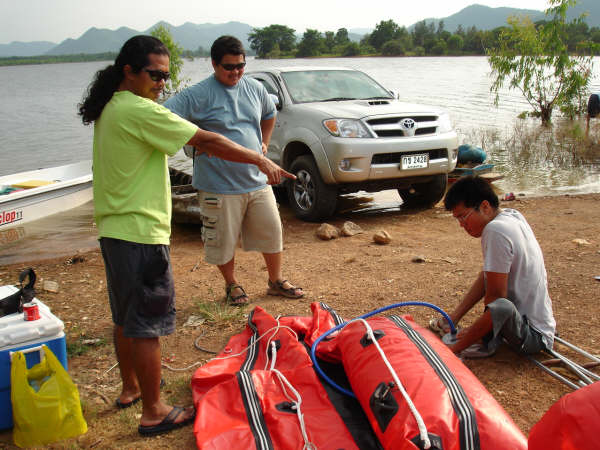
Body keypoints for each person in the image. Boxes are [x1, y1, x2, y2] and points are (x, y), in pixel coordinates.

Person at [78, 35, 293, 436]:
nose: (162, 82)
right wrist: (261, 158)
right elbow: (207, 139)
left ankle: (131, 390)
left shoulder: (114, 106)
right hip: (139, 230)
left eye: (165, 75)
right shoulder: (139, 110)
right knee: (147, 323)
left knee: (126, 318)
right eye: (154, 75)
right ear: (128, 71)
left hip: (115, 229)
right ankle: (154, 410)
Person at [164, 35, 303, 305]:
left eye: (241, 66)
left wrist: (264, 141)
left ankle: (275, 280)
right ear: (214, 64)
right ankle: (232, 284)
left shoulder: (255, 88)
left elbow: (269, 113)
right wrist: (195, 142)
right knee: (222, 241)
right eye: (229, 67)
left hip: (256, 181)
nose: (236, 72)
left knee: (272, 232)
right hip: (218, 184)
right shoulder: (197, 94)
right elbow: (165, 118)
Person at [430, 175, 556, 359]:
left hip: (532, 336)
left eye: (464, 217)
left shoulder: (495, 230)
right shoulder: (512, 216)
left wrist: (461, 344)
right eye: (457, 219)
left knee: (500, 305)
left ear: (485, 207)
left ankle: (458, 348)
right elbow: (490, 276)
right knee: (489, 277)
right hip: (540, 326)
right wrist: (453, 319)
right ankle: (454, 324)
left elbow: (497, 302)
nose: (462, 225)